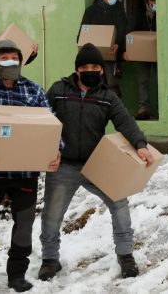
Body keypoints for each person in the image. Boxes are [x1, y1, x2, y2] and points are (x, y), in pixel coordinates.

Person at [38, 43, 155, 281]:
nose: (89, 70)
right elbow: (42, 120)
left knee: (119, 204)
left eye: (94, 66)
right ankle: (50, 260)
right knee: (51, 215)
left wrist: (140, 145)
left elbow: (125, 122)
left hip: (97, 164)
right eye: (84, 66)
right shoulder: (59, 90)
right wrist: (45, 151)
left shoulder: (107, 97)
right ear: (77, 70)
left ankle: (125, 255)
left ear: (101, 70)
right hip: (64, 166)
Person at [0, 39, 60, 294]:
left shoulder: (33, 91)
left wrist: (55, 150)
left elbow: (50, 123)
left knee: (24, 223)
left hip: (25, 171)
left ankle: (17, 274)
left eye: (14, 58)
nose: (10, 62)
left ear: (21, 61)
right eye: (4, 58)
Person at [79, 0, 128, 96]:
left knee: (112, 84)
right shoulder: (91, 11)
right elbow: (82, 33)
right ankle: (100, 111)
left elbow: (122, 29)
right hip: (95, 55)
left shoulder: (119, 10)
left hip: (112, 53)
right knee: (97, 84)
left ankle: (116, 111)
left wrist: (118, 44)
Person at [124, 0, 157, 120]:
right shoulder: (138, 13)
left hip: (158, 51)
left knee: (161, 80)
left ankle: (163, 108)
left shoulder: (163, 13)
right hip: (142, 52)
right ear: (149, 1)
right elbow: (129, 31)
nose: (155, 4)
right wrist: (127, 50)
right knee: (143, 80)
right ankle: (143, 109)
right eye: (153, 2)